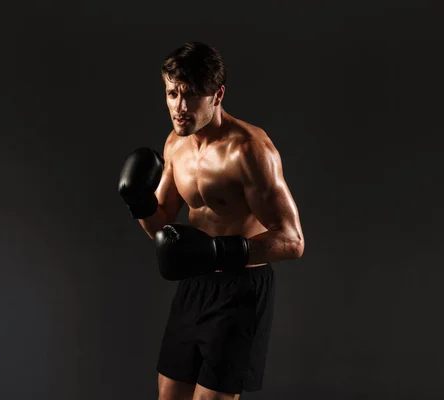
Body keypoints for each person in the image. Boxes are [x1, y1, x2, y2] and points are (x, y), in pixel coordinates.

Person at [118, 42, 305, 400]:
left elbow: (293, 241)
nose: (180, 107)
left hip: (241, 291)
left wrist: (218, 251)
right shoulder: (175, 145)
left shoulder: (250, 150)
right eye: (172, 93)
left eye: (191, 96)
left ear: (217, 95)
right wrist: (140, 204)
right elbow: (162, 230)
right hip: (194, 286)